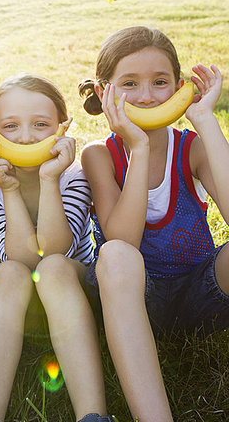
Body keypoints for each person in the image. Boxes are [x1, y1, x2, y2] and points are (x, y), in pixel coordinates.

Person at [79, 25, 229, 422]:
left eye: (160, 83)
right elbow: (123, 238)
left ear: (178, 88)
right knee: (114, 254)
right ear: (103, 90)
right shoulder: (99, 156)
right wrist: (139, 148)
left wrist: (204, 119)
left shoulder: (190, 148)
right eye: (130, 83)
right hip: (133, 300)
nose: (146, 96)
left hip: (199, 293)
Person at [0, 73, 115, 422]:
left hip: (73, 300)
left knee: (51, 268)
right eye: (10, 126)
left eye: (40, 124)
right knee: (7, 273)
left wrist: (49, 178)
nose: (25, 136)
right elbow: (19, 258)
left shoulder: (72, 177)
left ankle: (93, 416)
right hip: (17, 311)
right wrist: (8, 189)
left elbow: (54, 252)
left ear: (61, 129)